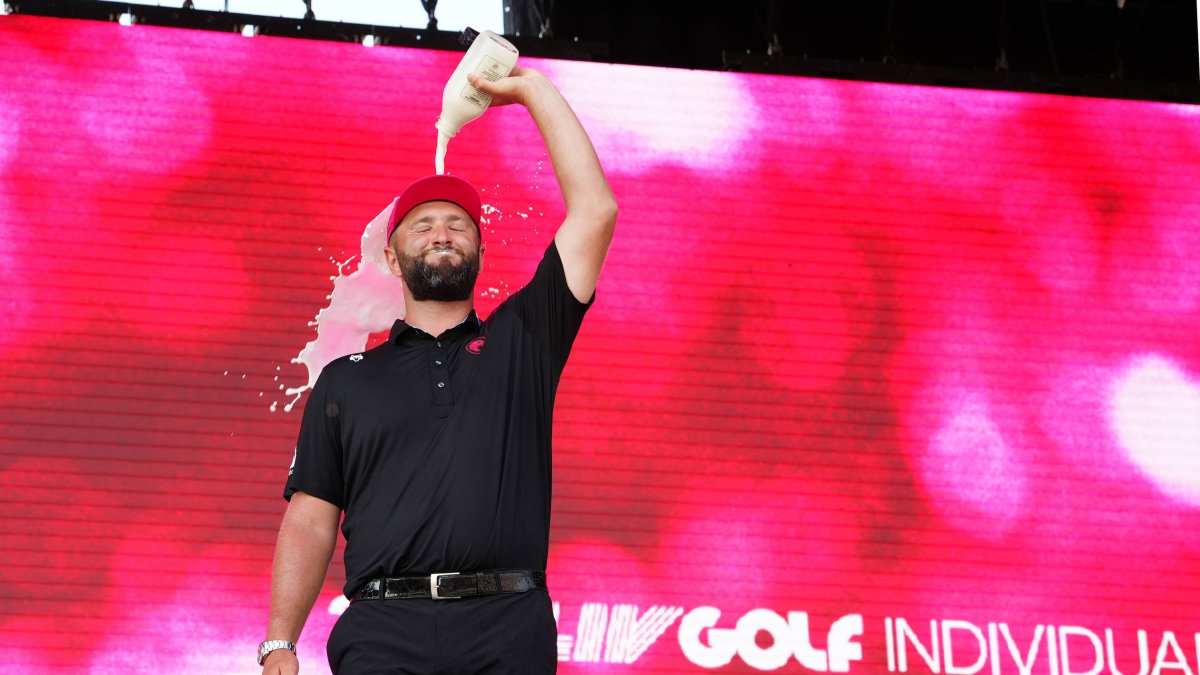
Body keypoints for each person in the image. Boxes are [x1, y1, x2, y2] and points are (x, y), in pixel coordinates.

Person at [258, 64, 617, 675]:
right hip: (382, 631)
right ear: (393, 259)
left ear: (481, 251)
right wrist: (279, 643)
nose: (441, 234)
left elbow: (596, 211)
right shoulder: (345, 379)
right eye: (422, 226)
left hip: (508, 627)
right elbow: (312, 520)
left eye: (458, 225)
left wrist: (531, 88)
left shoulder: (522, 340)